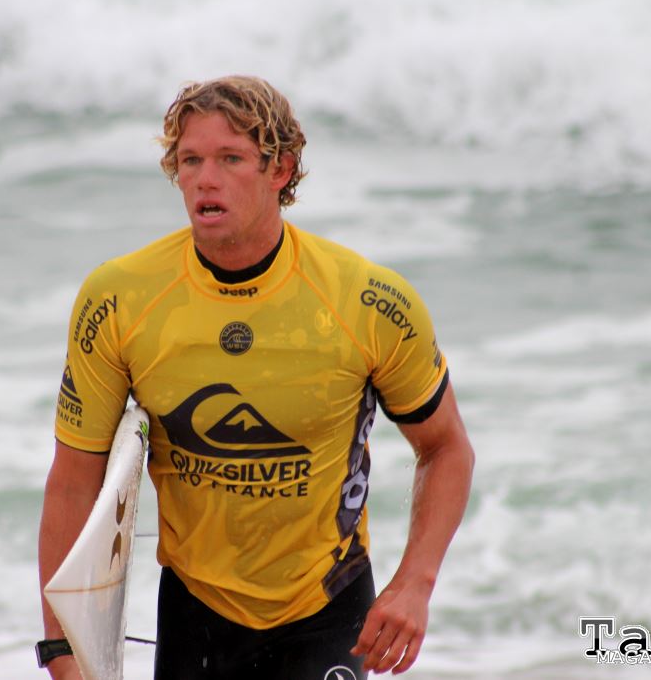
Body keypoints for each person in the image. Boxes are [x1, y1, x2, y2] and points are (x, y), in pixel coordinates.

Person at [38, 75, 474, 679]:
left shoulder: (365, 302)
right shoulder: (121, 300)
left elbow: (446, 447)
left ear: (280, 169)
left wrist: (414, 583)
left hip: (327, 604)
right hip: (196, 611)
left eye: (231, 159)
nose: (205, 179)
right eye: (190, 160)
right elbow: (73, 481)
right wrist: (61, 648)